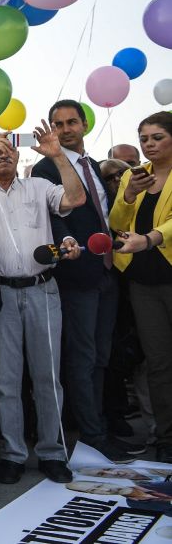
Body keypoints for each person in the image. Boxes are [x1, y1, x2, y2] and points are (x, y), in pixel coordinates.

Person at [0, 125, 86, 485]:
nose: (4, 156)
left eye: (8, 150)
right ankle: (12, 452)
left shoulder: (39, 186)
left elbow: (75, 199)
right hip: (0, 293)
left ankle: (52, 452)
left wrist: (56, 155)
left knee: (48, 377)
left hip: (44, 289)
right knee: (7, 379)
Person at [33, 100, 140, 461]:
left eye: (71, 122)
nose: (65, 129)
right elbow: (52, 214)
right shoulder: (45, 167)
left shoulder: (92, 164)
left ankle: (99, 426)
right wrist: (65, 242)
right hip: (77, 274)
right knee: (83, 357)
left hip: (109, 271)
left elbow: (103, 214)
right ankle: (93, 435)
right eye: (58, 123)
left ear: (83, 125)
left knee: (101, 355)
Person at [110, 111, 172, 463]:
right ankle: (166, 437)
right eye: (144, 137)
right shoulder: (135, 177)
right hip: (143, 284)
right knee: (159, 363)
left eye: (157, 137)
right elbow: (116, 223)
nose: (149, 144)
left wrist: (150, 238)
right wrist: (128, 196)